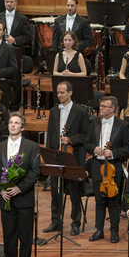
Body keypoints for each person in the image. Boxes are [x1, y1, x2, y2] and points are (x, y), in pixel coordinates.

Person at [0, 112, 40, 257]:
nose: (12, 125)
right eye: (11, 122)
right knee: (9, 235)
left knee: (25, 236)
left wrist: (20, 188)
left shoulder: (32, 147)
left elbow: (35, 171)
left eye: (16, 123)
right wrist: (1, 190)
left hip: (24, 199)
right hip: (6, 199)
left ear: (22, 127)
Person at [84, 96, 129, 244]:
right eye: (100, 106)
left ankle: (114, 231)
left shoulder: (123, 125)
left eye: (104, 106)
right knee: (99, 200)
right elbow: (87, 143)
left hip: (114, 166)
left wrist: (113, 153)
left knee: (113, 201)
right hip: (97, 166)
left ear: (112, 109)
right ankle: (99, 230)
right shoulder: (94, 123)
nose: (101, 109)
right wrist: (94, 149)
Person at [44, 81, 90, 235]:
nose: (59, 95)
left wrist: (71, 139)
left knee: (74, 192)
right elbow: (51, 134)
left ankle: (75, 222)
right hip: (56, 156)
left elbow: (86, 135)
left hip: (73, 156)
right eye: (57, 93)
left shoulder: (81, 112)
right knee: (55, 192)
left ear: (70, 93)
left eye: (62, 92)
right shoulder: (54, 111)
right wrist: (49, 155)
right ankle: (55, 221)